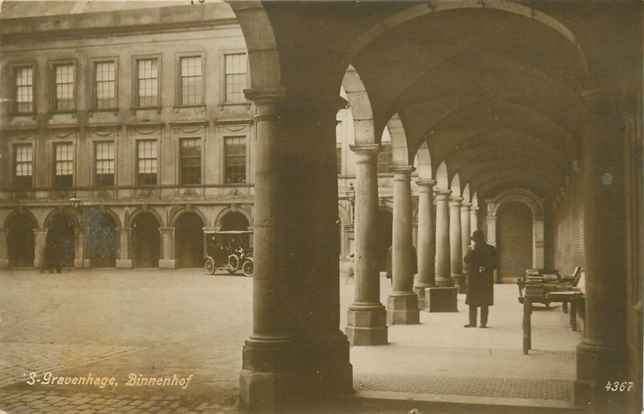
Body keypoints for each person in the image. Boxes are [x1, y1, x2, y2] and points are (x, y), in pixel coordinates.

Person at [463, 230, 497, 328]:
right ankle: (482, 323)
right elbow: (495, 264)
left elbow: (466, 260)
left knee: (474, 302)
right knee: (483, 302)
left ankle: (473, 323)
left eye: (474, 240)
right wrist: (486, 267)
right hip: (484, 279)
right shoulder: (490, 249)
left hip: (476, 279)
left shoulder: (476, 249)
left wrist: (472, 250)